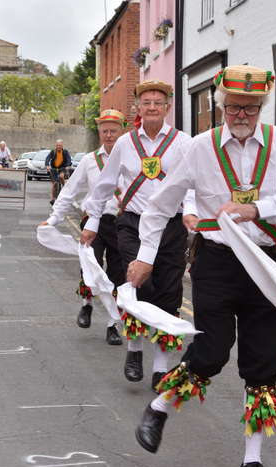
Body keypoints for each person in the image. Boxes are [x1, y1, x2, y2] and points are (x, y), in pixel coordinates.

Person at [129, 65, 276, 467]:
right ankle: (159, 408)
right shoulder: (199, 148)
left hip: (267, 263)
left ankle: (252, 462)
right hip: (216, 261)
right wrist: (144, 258)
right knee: (210, 352)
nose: (241, 114)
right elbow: (160, 205)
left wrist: (256, 209)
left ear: (261, 107)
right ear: (221, 107)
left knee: (264, 364)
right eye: (233, 107)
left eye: (249, 107)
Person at [81, 80, 197, 390]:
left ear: (167, 107)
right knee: (137, 284)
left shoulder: (183, 142)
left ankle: (160, 368)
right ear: (138, 108)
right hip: (132, 223)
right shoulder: (125, 143)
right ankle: (134, 351)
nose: (152, 107)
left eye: (158, 102)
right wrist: (92, 221)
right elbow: (105, 185)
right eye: (146, 102)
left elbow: (194, 182)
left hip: (171, 228)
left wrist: (191, 210)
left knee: (169, 294)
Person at [39, 110, 127, 345]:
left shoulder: (131, 159)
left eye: (113, 131)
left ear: (122, 132)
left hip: (122, 224)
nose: (109, 136)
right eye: (104, 131)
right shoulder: (90, 160)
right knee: (90, 265)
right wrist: (54, 219)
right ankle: (86, 304)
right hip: (92, 222)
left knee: (117, 275)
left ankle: (112, 324)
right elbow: (69, 191)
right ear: (99, 133)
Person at [45, 139, 72, 204]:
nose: (58, 147)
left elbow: (69, 159)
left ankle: (65, 188)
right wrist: (47, 165)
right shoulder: (53, 152)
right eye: (57, 145)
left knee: (61, 176)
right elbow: (47, 158)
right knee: (54, 184)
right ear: (56, 146)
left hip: (62, 168)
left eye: (60, 145)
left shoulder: (65, 152)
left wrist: (68, 165)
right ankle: (53, 198)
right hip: (54, 169)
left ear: (62, 146)